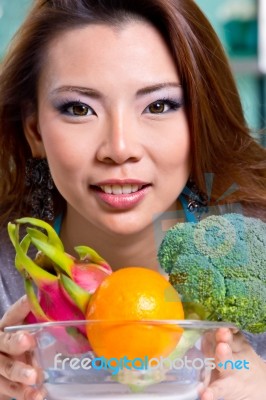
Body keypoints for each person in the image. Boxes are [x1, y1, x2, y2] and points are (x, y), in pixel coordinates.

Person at [0, 0, 265, 399]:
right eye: (79, 108)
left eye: (158, 106)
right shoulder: (6, 274)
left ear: (198, 122)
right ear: (35, 130)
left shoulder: (252, 257)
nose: (120, 148)